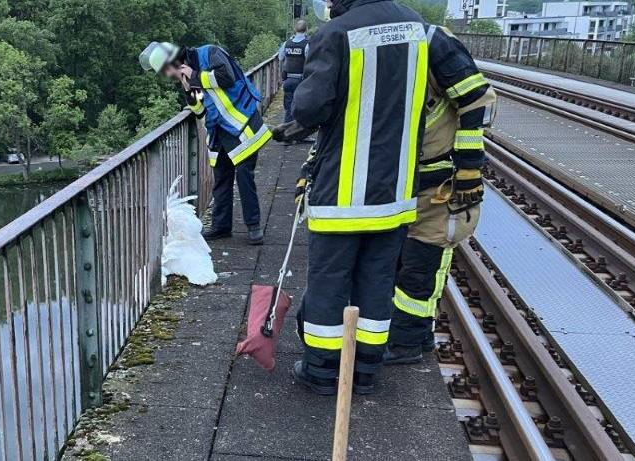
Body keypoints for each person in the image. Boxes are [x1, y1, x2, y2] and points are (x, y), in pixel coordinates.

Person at [275, 0, 433, 396]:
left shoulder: (335, 33)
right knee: (377, 282)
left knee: (329, 282)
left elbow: (309, 108)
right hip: (396, 189)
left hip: (344, 190)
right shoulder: (416, 27)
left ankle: (322, 370)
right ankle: (365, 370)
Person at [384, 25, 496, 364]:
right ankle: (416, 337)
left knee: (420, 268)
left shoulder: (433, 44)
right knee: (403, 263)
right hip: (405, 183)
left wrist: (468, 170)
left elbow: (476, 100)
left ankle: (406, 344)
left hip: (439, 186)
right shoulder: (378, 41)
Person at [140, 41, 272, 245]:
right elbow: (200, 111)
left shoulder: (210, 54)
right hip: (219, 132)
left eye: (168, 71)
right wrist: (188, 92)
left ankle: (253, 226)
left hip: (242, 125)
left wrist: (195, 76)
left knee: (245, 177)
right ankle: (221, 226)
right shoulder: (187, 75)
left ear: (174, 62)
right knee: (221, 180)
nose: (171, 76)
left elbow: (226, 77)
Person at [278, 20, 310, 124]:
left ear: (294, 30)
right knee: (301, 107)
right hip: (301, 80)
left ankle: (287, 134)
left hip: (287, 80)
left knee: (288, 108)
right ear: (306, 29)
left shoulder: (286, 43)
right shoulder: (307, 44)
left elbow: (280, 57)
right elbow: (310, 61)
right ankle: (298, 134)